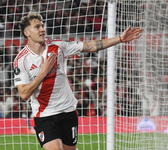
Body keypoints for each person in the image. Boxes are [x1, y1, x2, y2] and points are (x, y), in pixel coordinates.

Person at [13, 13, 142, 150]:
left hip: (68, 111)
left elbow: (89, 46)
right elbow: (24, 94)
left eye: (42, 26)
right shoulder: (21, 60)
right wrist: (43, 73)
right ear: (26, 32)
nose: (42, 29)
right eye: (37, 27)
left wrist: (120, 39)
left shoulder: (58, 46)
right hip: (45, 115)